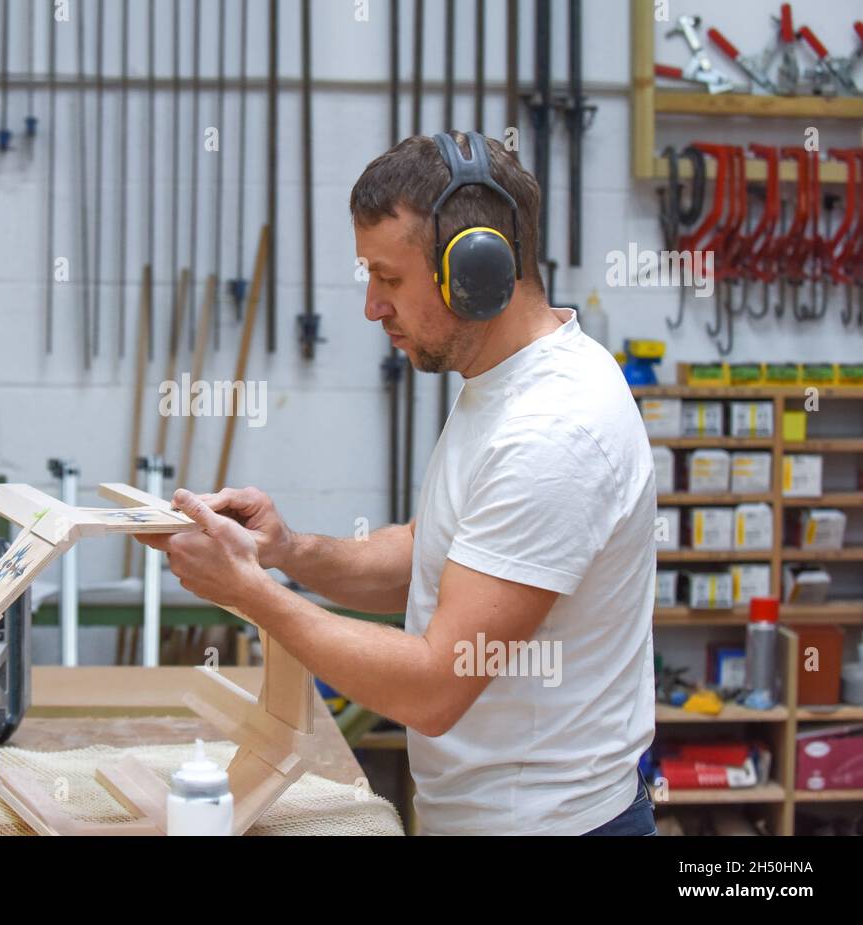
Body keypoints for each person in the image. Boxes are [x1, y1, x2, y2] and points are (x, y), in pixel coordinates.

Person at [137, 131, 657, 835]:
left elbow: (437, 684)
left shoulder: (555, 428)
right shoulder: (500, 386)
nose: (372, 308)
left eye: (389, 279)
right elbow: (433, 555)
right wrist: (288, 550)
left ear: (475, 271)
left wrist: (251, 594)